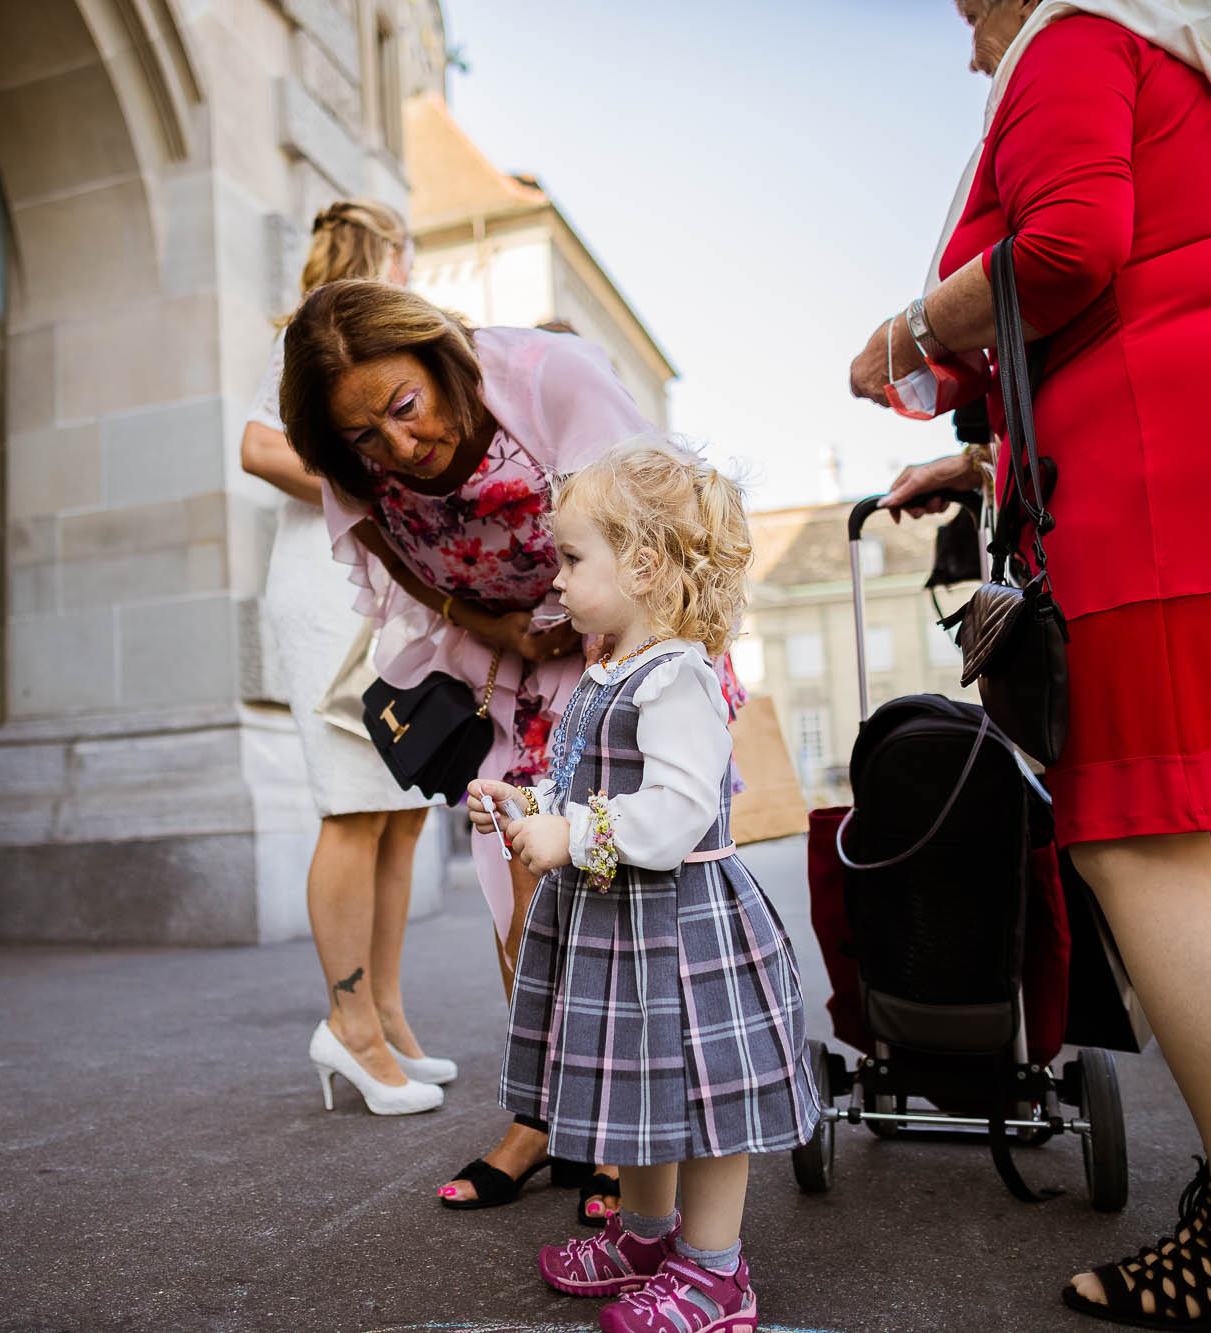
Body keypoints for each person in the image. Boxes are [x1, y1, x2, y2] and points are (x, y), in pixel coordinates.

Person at [848, 2, 1211, 1326]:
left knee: (1135, 836)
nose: (969, 40)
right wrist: (981, 461)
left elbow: (1066, 251)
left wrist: (898, 336)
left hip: (1166, 455)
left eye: (968, 8)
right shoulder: (1175, 46)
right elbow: (1155, 262)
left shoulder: (1071, 35)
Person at [280, 280, 666, 1221]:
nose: (398, 445)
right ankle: (541, 1114)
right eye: (367, 435)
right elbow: (392, 550)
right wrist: (483, 619)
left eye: (404, 406)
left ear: (435, 353)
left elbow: (662, 528)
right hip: (513, 670)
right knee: (518, 898)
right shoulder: (357, 462)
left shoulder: (546, 376)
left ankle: (620, 1128)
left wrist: (586, 621)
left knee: (610, 890)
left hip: (627, 654)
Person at [467, 442, 819, 1333]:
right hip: (623, 922)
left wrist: (572, 835)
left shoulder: (677, 677)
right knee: (644, 1092)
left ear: (646, 565)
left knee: (705, 1103)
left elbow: (675, 814)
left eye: (573, 557)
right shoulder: (609, 667)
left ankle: (717, 1274)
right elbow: (589, 785)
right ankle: (648, 1235)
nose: (556, 577)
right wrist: (529, 804)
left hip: (681, 927)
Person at [239, 200, 448, 1118]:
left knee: (402, 813)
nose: (413, 272)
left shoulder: (369, 341)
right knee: (354, 808)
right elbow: (256, 445)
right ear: (382, 253)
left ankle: (387, 1013)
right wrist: (370, 478)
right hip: (329, 593)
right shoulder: (311, 337)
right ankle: (348, 1024)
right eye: (407, 255)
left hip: (385, 595)